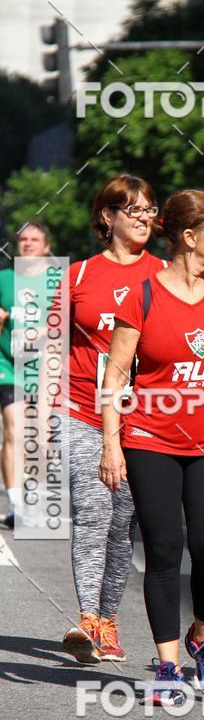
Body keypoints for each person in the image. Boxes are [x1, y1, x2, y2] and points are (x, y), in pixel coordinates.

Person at [99, 189, 204, 707]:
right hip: (149, 440)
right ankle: (169, 665)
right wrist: (111, 444)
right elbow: (116, 375)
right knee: (165, 550)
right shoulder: (141, 297)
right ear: (191, 238)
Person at [59, 174, 167, 664]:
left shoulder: (164, 274)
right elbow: (51, 343)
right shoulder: (79, 276)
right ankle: (86, 620)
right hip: (82, 411)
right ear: (108, 217)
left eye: (150, 210)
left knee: (123, 527)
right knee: (91, 516)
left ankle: (108, 618)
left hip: (141, 419)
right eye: (134, 210)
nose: (145, 218)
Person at [0, 222, 52, 528]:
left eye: (35, 239)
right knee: (14, 429)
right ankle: (16, 505)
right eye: (22, 239)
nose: (28, 244)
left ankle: (35, 492)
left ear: (46, 247)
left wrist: (49, 329)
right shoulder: (4, 279)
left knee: (42, 436)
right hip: (7, 367)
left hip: (46, 369)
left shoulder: (59, 281)